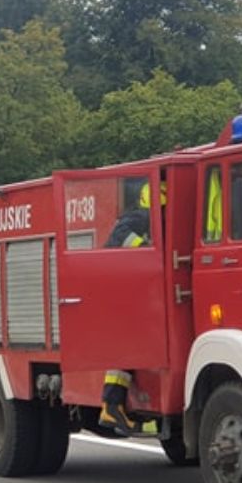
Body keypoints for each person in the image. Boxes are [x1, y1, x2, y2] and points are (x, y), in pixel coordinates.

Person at [99, 181, 164, 436]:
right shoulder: (139, 218)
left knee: (128, 348)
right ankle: (111, 405)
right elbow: (121, 239)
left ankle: (114, 406)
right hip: (119, 291)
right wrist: (146, 249)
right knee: (125, 346)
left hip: (125, 290)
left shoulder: (145, 217)